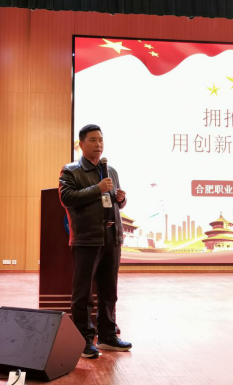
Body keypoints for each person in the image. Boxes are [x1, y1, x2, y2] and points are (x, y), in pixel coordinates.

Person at [59, 124, 132, 359]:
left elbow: (114, 202)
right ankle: (83, 340)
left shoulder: (111, 170)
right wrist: (97, 188)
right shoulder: (71, 171)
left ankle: (108, 336)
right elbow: (67, 198)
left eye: (101, 140)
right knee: (83, 293)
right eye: (92, 140)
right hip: (87, 238)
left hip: (112, 236)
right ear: (81, 144)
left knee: (109, 291)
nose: (98, 144)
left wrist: (121, 199)